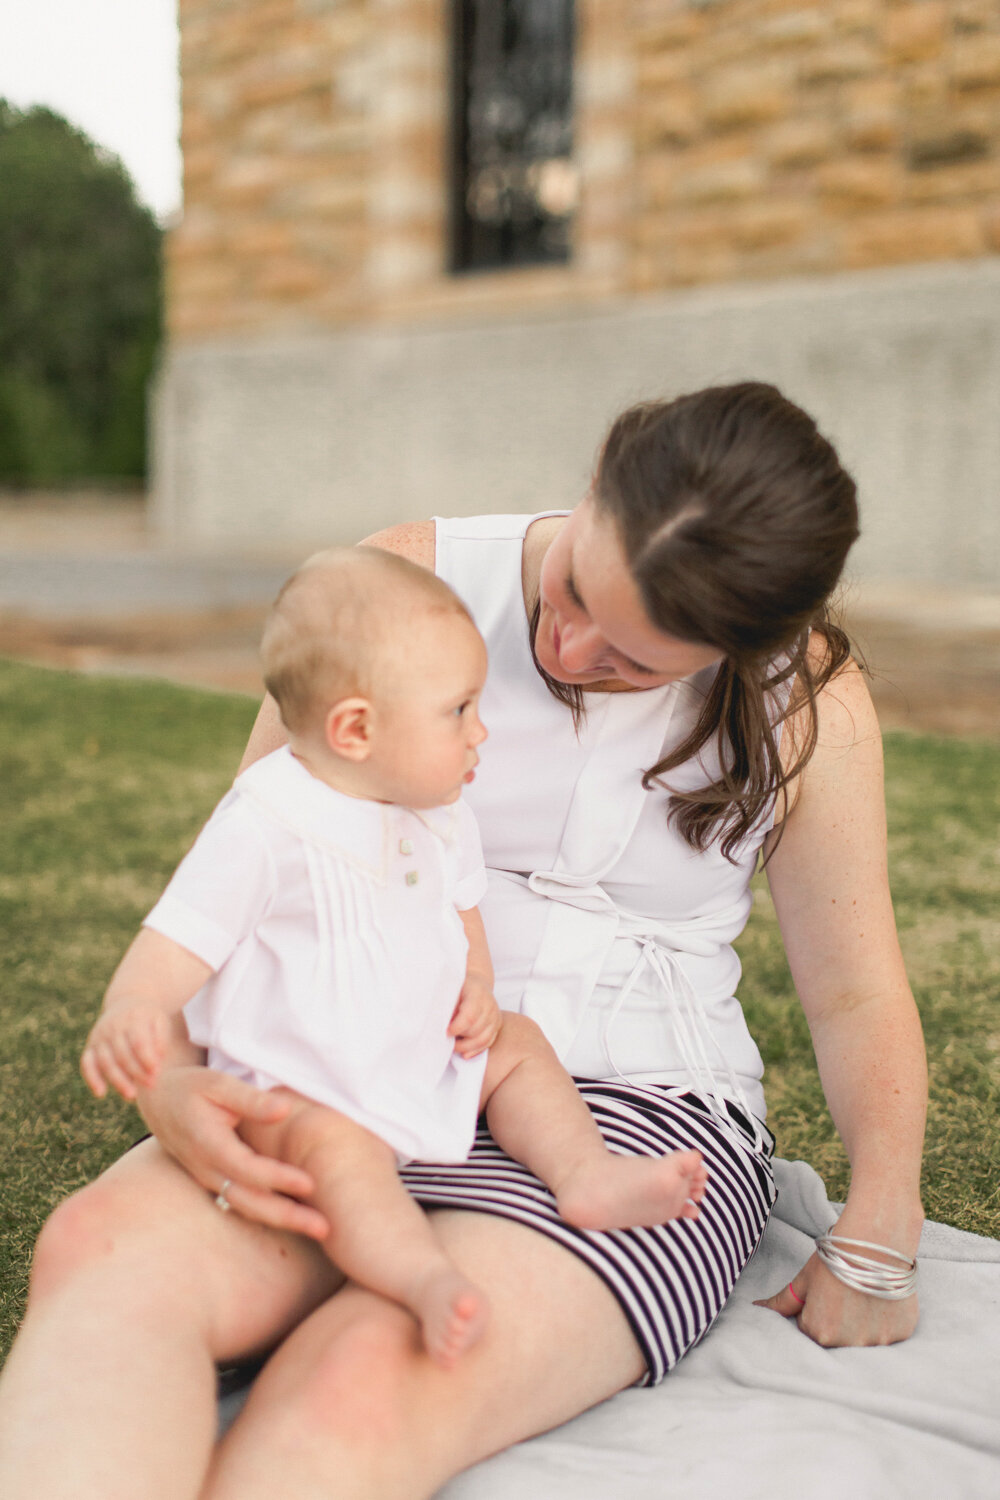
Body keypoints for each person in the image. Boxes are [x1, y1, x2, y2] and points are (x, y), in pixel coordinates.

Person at [0, 382, 927, 1500]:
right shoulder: (406, 580)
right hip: (340, 1070)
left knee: (360, 1381)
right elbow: (251, 860)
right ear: (591, 483)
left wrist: (878, 1233)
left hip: (624, 1111)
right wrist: (176, 1083)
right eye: (575, 587)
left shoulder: (802, 698)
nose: (569, 644)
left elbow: (854, 994)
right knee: (98, 1254)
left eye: (633, 662)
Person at [78, 549, 707, 1368]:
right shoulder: (269, 820)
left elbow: (462, 911)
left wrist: (479, 986)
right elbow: (176, 939)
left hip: (417, 1053)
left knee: (518, 1045)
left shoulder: (437, 809)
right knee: (344, 1164)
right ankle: (421, 1279)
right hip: (305, 1087)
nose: (481, 731)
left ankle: (583, 1173)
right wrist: (130, 1011)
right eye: (459, 710)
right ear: (356, 729)